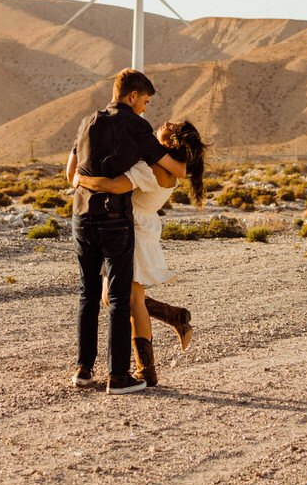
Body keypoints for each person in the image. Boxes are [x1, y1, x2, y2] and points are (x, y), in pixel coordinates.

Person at [68, 69, 185, 395]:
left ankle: (82, 368)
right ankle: (118, 376)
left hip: (80, 217)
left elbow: (70, 173)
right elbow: (175, 167)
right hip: (114, 219)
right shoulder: (135, 125)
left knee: (88, 293)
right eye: (145, 101)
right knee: (119, 297)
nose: (146, 108)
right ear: (132, 96)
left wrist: (85, 181)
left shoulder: (87, 121)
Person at [73, 120, 207, 387]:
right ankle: (174, 316)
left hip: (132, 230)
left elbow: (114, 186)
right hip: (138, 227)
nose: (166, 121)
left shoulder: (152, 168)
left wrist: (81, 178)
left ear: (172, 141)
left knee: (131, 299)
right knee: (111, 298)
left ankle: (146, 370)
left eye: (173, 124)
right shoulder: (167, 167)